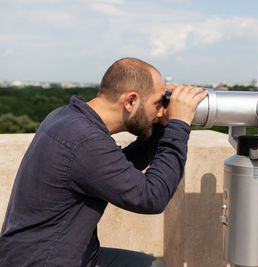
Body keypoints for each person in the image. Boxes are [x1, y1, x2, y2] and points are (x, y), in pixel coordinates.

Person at [0, 57, 208, 266]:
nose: (160, 111)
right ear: (131, 101)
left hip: (39, 254)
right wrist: (179, 125)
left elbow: (115, 169)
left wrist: (160, 128)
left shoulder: (67, 118)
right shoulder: (84, 140)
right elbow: (152, 196)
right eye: (156, 103)